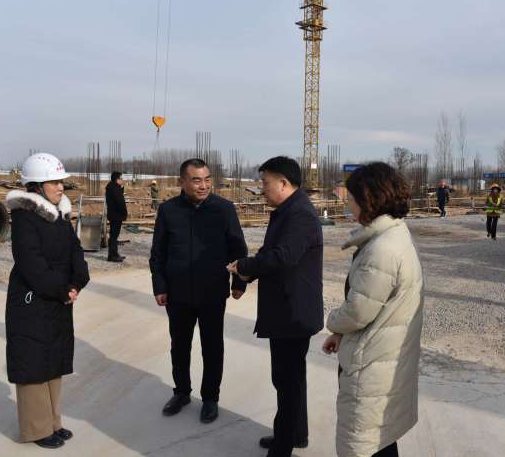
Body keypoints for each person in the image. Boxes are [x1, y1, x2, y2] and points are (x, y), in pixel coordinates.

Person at [322, 162, 424, 457]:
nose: (348, 204)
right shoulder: (393, 235)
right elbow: (372, 306)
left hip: (372, 363)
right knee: (380, 436)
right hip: (382, 354)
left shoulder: (381, 250)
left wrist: (333, 322)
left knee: (364, 439)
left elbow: (358, 311)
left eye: (352, 198)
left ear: (369, 200)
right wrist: (342, 335)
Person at [226, 156, 323, 457]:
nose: (262, 188)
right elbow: (271, 252)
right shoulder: (287, 211)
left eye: (265, 183)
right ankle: (295, 434)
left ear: (283, 183)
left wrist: (243, 265)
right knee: (291, 379)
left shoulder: (299, 214)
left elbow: (284, 257)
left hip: (293, 312)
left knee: (287, 381)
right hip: (287, 310)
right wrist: (248, 274)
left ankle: (282, 447)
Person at [149, 159, 248, 424]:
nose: (203, 185)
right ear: (182, 182)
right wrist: (160, 285)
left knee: (212, 348)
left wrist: (239, 282)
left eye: (207, 179)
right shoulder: (169, 210)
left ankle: (210, 398)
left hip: (212, 292)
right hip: (177, 294)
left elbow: (238, 248)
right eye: (196, 180)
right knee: (179, 347)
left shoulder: (224, 209)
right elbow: (158, 253)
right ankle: (181, 392)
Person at [4, 153, 89, 449]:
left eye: (61, 181)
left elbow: (75, 251)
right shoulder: (25, 218)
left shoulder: (59, 214)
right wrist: (62, 290)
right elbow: (31, 264)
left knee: (53, 359)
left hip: (57, 297)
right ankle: (36, 429)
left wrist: (77, 282)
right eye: (54, 182)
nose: (60, 187)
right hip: (33, 298)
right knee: (33, 363)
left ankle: (53, 422)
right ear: (36, 186)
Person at [105, 171, 127, 262]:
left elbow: (118, 199)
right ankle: (112, 255)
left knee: (114, 236)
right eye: (121, 178)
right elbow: (120, 202)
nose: (122, 180)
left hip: (115, 215)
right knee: (114, 236)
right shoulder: (114, 188)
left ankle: (115, 253)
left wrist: (121, 189)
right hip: (116, 215)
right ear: (116, 179)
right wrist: (124, 213)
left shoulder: (113, 187)